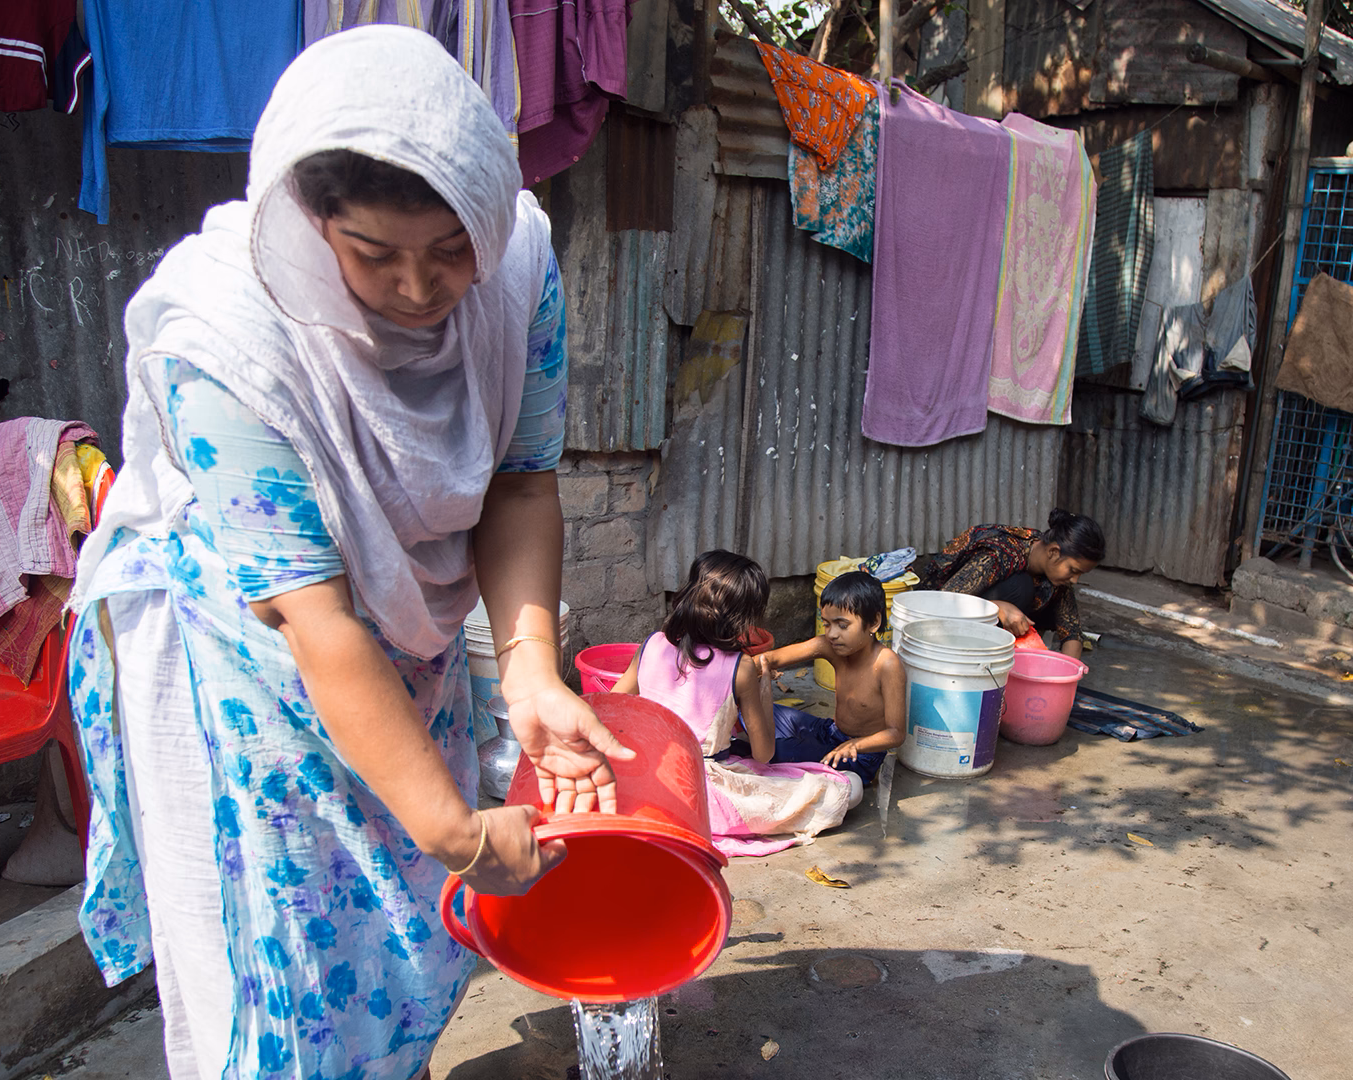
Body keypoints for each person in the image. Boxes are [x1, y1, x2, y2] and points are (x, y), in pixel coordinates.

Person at [63, 28, 632, 1080]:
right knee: (295, 959)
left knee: (407, 940)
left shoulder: (516, 276)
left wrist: (530, 669)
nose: (421, 289)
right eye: (374, 254)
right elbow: (314, 616)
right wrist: (459, 832)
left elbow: (520, 480)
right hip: (254, 650)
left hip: (400, 644)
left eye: (450, 246)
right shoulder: (225, 342)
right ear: (313, 222)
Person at [611, 550, 857, 856]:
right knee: (846, 789)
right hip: (702, 797)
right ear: (743, 619)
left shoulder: (652, 644)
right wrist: (764, 686)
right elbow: (764, 753)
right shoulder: (739, 668)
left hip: (647, 784)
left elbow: (612, 706)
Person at [760, 570, 905, 787]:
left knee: (781, 751)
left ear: (874, 622)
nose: (832, 634)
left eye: (842, 625)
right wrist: (748, 669)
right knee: (753, 708)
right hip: (831, 732)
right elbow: (770, 658)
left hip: (862, 755)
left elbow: (896, 734)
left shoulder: (887, 665)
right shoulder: (829, 647)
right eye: (827, 624)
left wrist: (856, 745)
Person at [911, 508, 1105, 658]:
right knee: (1021, 588)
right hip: (932, 620)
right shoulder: (999, 554)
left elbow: (1072, 632)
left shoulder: (1054, 574)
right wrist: (997, 608)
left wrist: (1067, 676)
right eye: (1073, 570)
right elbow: (944, 602)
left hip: (972, 609)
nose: (1075, 579)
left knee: (1047, 597)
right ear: (1053, 552)